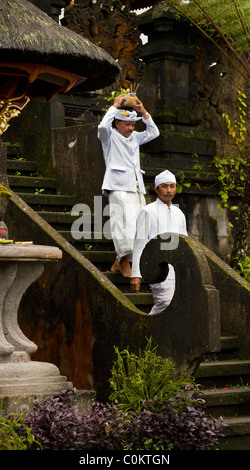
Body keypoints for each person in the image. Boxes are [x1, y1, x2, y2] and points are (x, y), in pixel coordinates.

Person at [98, 94, 159, 277]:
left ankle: (119, 262)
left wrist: (143, 111)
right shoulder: (109, 136)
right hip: (118, 185)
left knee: (138, 225)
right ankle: (124, 261)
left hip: (136, 187)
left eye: (133, 125)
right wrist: (115, 106)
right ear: (117, 123)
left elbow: (154, 132)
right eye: (127, 125)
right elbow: (102, 126)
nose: (131, 128)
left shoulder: (135, 138)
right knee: (123, 224)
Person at [130, 170, 187, 315]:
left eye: (172, 186)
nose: (169, 190)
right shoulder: (148, 211)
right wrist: (136, 274)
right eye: (164, 186)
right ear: (156, 189)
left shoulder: (179, 214)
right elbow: (139, 243)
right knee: (164, 303)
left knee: (179, 306)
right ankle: (147, 333)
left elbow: (185, 242)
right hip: (157, 266)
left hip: (178, 268)